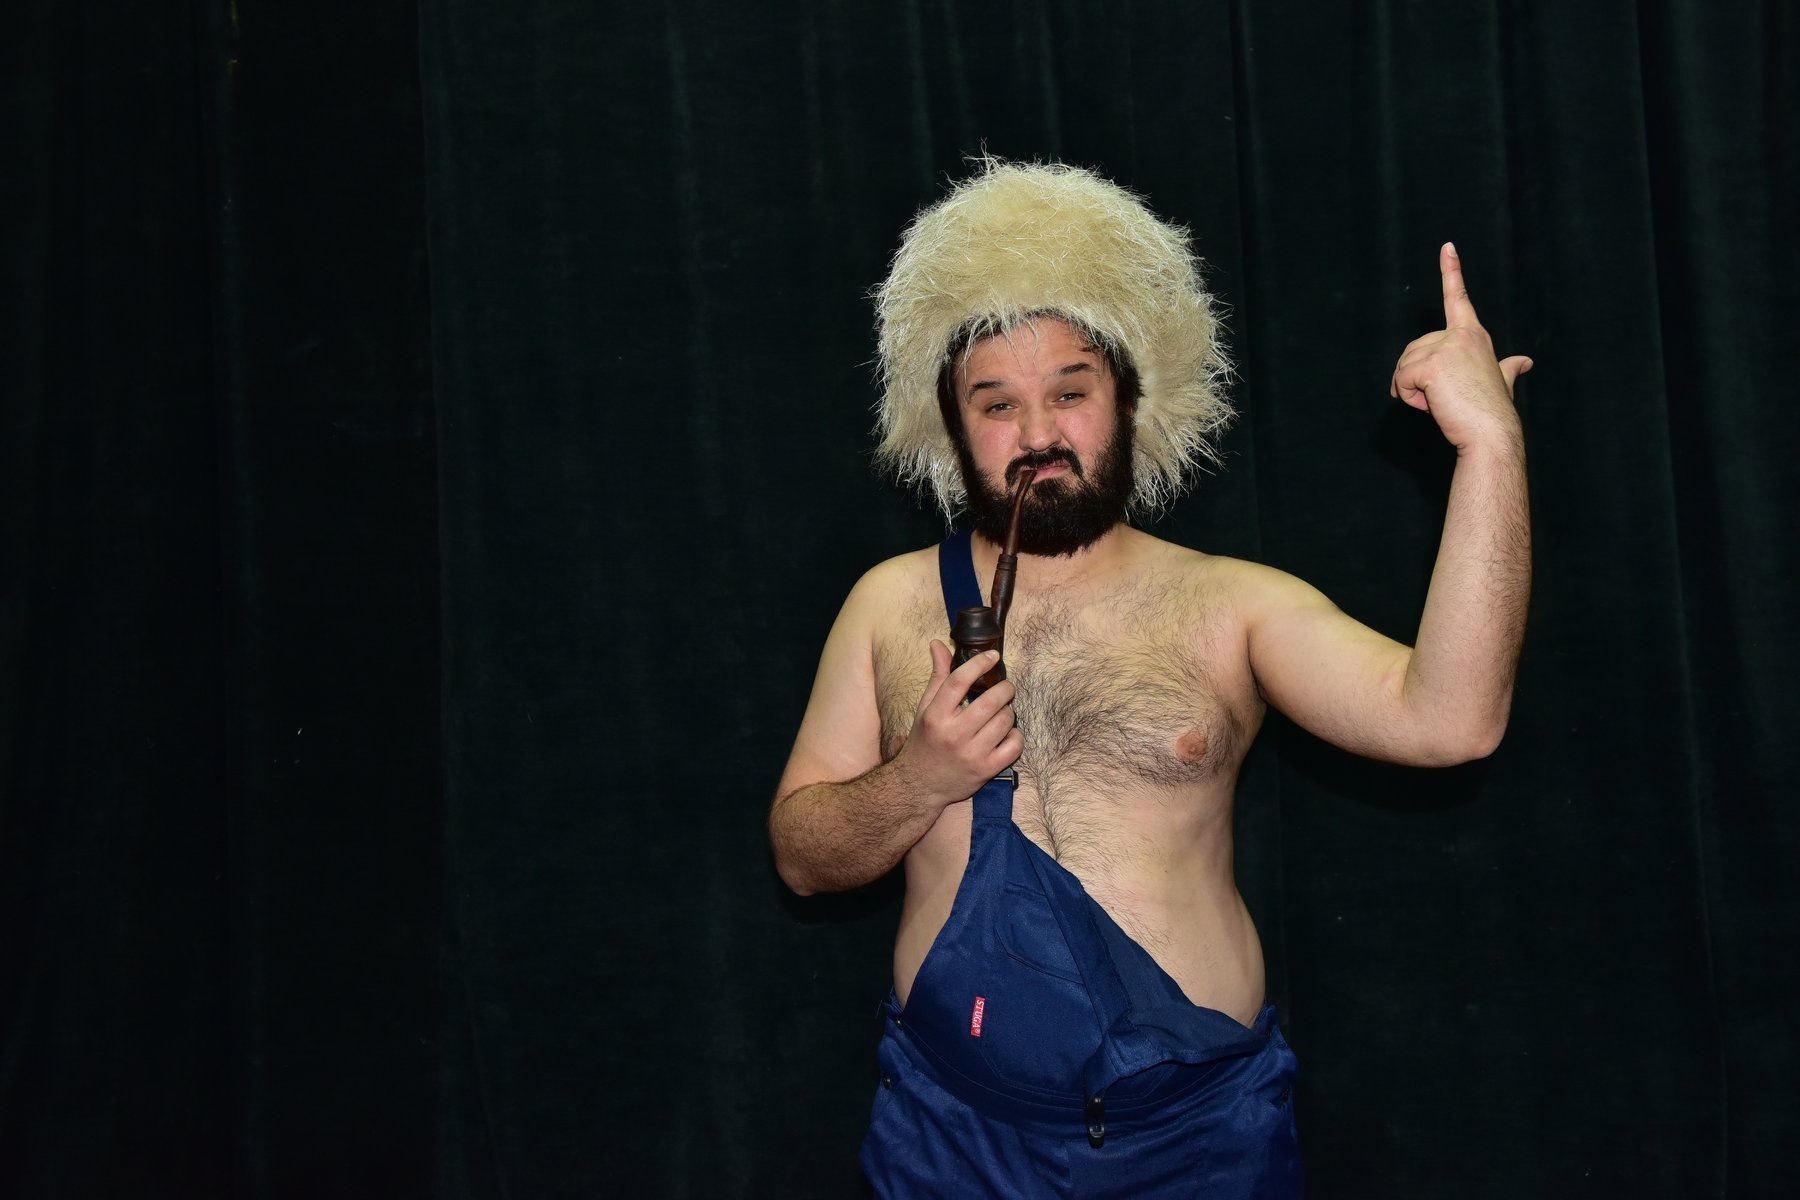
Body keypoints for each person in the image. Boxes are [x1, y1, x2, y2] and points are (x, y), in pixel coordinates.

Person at [769, 159, 1531, 1198]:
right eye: (996, 404)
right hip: (951, 1139)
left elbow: (1452, 722)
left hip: (1197, 1144)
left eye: (1069, 392)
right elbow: (802, 860)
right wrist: (918, 780)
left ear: (1130, 400)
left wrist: (1490, 448)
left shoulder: (1231, 604)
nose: (1038, 435)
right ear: (951, 426)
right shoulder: (888, 604)